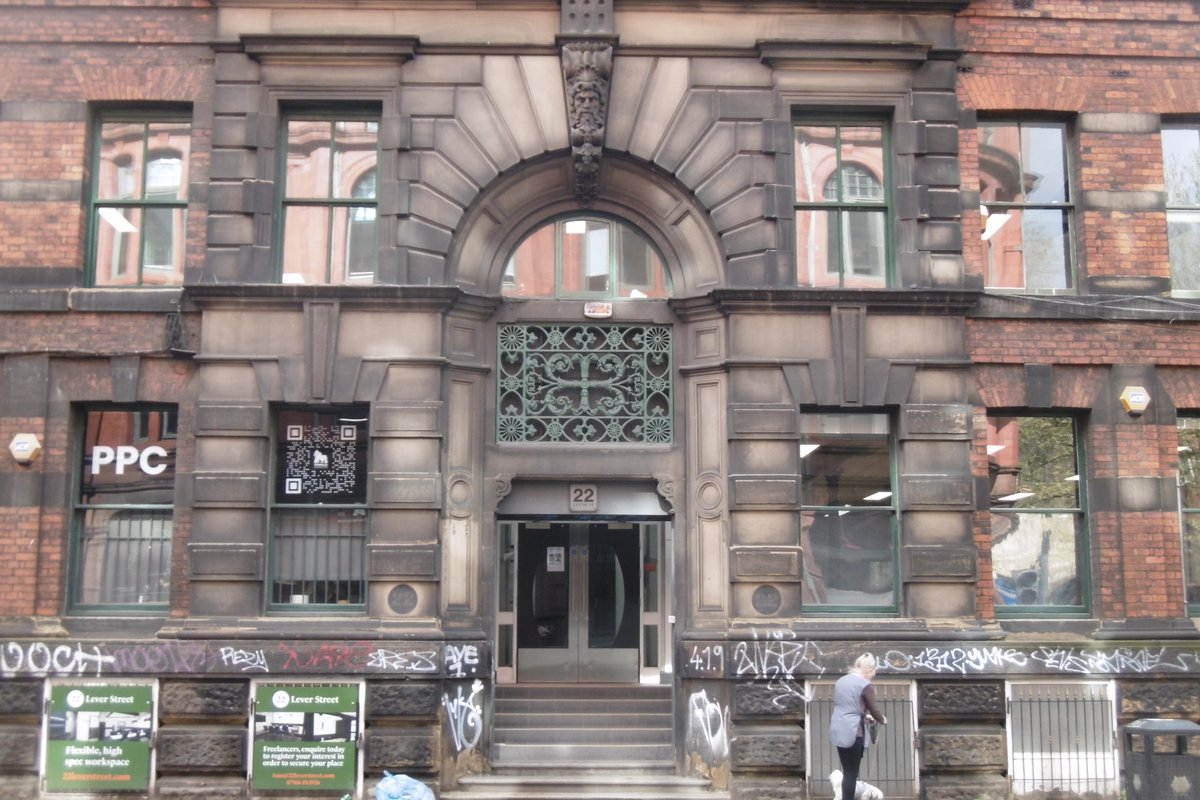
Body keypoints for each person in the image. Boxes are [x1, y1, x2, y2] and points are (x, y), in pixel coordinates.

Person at [829, 653, 887, 800]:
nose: (871, 677)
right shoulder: (865, 685)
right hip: (854, 731)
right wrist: (881, 719)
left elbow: (847, 707)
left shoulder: (841, 681)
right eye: (872, 673)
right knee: (851, 773)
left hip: (838, 727)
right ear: (869, 669)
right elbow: (875, 710)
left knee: (847, 769)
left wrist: (863, 716)